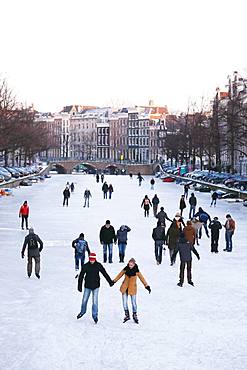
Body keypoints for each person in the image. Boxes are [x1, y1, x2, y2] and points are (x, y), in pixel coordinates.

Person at [77, 252, 114, 323]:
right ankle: (82, 312)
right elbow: (81, 276)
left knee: (95, 302)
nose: (91, 261)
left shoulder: (98, 265)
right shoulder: (85, 266)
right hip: (87, 286)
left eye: (93, 260)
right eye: (90, 260)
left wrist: (110, 282)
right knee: (84, 300)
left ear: (95, 259)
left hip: (96, 286)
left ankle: (95, 316)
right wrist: (79, 286)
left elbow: (104, 273)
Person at [113, 258, 151, 324]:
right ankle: (127, 315)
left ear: (134, 264)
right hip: (124, 288)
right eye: (129, 265)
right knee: (124, 303)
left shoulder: (137, 271)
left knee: (134, 303)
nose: (130, 266)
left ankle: (134, 315)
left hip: (132, 289)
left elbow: (142, 278)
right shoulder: (125, 269)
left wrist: (146, 286)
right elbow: (119, 275)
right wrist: (114, 281)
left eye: (131, 265)